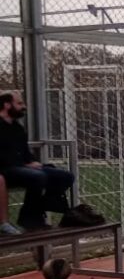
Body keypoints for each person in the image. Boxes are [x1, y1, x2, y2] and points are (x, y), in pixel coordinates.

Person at [0, 91, 75, 231]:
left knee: (65, 176)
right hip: (6, 170)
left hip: (22, 166)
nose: (24, 106)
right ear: (7, 105)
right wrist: (26, 165)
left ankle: (43, 206)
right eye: (19, 103)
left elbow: (25, 152)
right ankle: (30, 219)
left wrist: (33, 162)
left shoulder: (17, 127)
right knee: (38, 176)